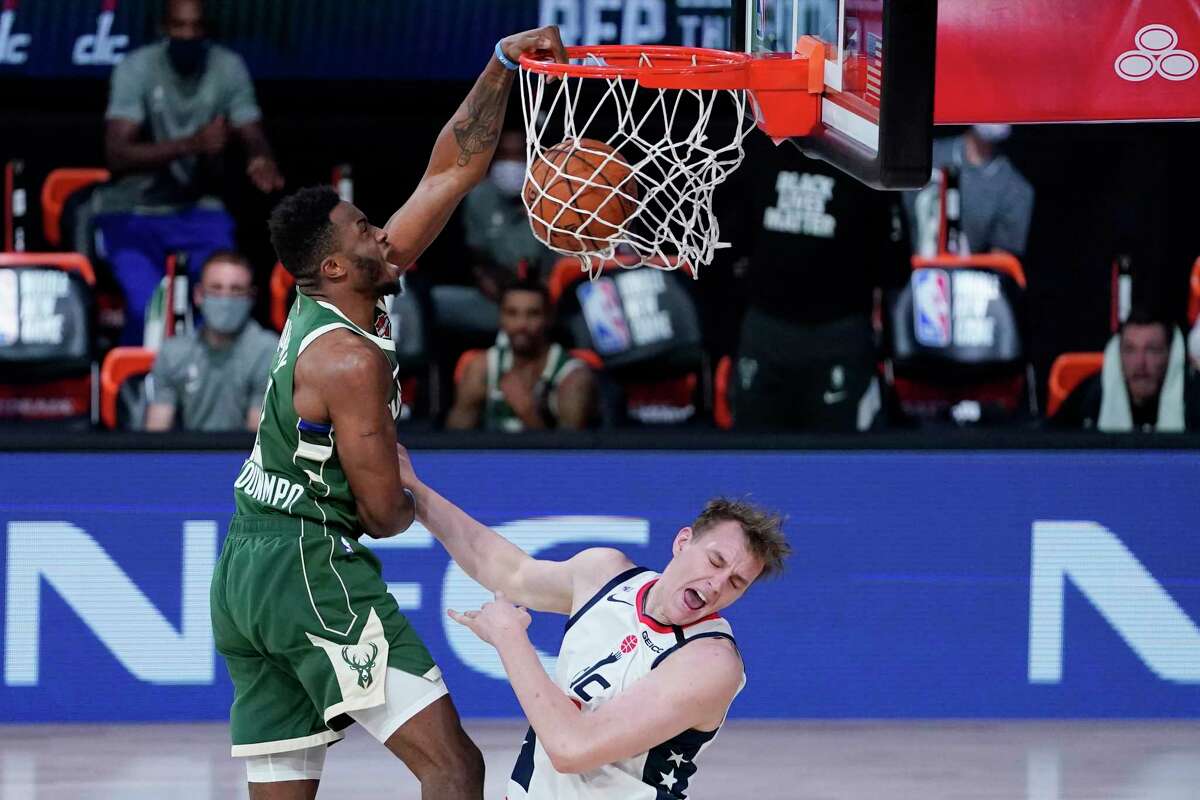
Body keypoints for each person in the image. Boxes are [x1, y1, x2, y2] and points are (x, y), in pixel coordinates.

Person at [208, 26, 569, 799]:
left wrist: (501, 64)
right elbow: (379, 515)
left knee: (285, 785)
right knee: (455, 768)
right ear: (335, 266)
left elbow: (450, 169)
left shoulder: (339, 296)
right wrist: (407, 492)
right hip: (307, 564)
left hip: (245, 567)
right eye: (367, 230)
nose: (384, 232)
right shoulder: (350, 359)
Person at [396, 443, 790, 800]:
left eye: (736, 582)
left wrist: (509, 638)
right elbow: (506, 570)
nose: (717, 583)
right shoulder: (606, 573)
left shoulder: (710, 661)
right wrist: (416, 493)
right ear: (683, 541)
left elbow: (572, 748)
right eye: (715, 561)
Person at [94, 0, 285, 345]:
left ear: (207, 31)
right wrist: (191, 144)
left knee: (224, 302)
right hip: (133, 210)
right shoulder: (136, 69)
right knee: (147, 310)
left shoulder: (227, 67)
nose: (188, 34)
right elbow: (117, 153)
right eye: (180, 26)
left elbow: (251, 128)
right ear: (164, 29)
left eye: (196, 27)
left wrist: (260, 157)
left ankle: (206, 387)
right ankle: (137, 392)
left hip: (198, 208)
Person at [718, 136, 909, 431]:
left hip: (839, 335)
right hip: (766, 332)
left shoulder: (866, 157)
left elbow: (895, 267)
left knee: (835, 464)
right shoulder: (757, 149)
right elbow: (728, 244)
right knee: (753, 461)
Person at [433, 129, 557, 337]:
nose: (511, 163)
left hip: (549, 298)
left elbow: (565, 262)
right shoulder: (479, 197)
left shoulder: (554, 194)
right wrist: (495, 286)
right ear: (493, 159)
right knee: (435, 301)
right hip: (497, 298)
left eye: (518, 155)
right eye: (505, 155)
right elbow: (478, 260)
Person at [143, 250, 277, 432]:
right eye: (216, 288)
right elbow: (156, 435)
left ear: (251, 297)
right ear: (198, 295)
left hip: (244, 457)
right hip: (189, 457)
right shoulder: (173, 353)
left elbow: (259, 439)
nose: (225, 299)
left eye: (236, 289)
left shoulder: (269, 351)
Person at [445, 278, 596, 431]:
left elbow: (570, 452)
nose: (522, 324)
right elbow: (454, 443)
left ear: (549, 318)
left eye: (533, 314)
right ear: (501, 317)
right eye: (512, 313)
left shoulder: (573, 378)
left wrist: (528, 413)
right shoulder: (482, 368)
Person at [1052, 309, 1200, 431]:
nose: (1140, 363)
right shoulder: (1090, 396)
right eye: (1130, 350)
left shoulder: (1194, 397)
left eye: (1152, 350)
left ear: (1171, 354)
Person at [903, 125, 1035, 259]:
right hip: (916, 268)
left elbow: (1000, 261)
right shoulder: (925, 156)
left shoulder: (1016, 189)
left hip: (967, 274)